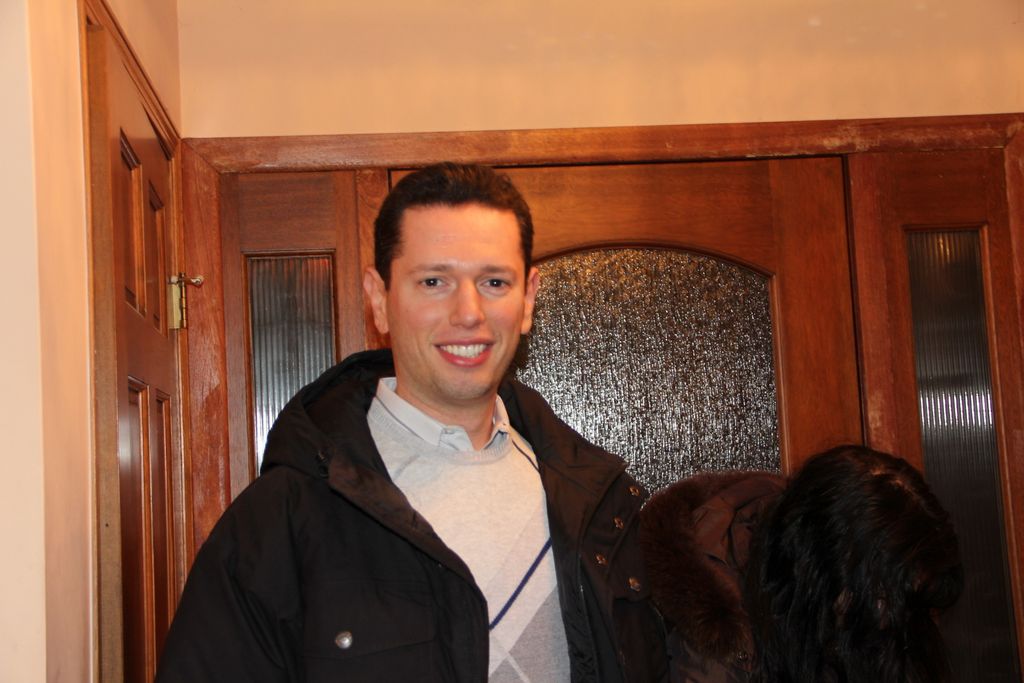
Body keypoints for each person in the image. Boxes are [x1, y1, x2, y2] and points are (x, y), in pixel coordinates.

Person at [156, 162, 668, 682]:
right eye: (433, 281)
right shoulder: (280, 521)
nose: (468, 313)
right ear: (379, 299)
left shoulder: (600, 505)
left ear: (528, 299)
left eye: (494, 281)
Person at [639, 445, 963, 683]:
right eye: (880, 595)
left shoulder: (875, 617)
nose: (886, 615)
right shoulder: (721, 648)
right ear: (822, 570)